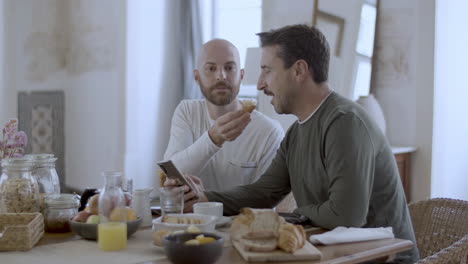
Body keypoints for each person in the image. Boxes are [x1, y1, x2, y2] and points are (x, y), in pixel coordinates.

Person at [166, 25, 419, 263]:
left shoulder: (345, 123)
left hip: (381, 259)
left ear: (299, 71)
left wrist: (298, 211)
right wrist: (204, 198)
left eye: (267, 70)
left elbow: (346, 216)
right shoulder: (297, 132)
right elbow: (263, 192)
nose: (261, 83)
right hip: (335, 254)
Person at [163, 39, 284, 192]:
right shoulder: (187, 111)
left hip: (241, 217)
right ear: (196, 77)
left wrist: (208, 202)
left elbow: (265, 199)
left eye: (229, 68)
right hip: (190, 216)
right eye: (211, 68)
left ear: (241, 76)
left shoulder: (269, 131)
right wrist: (213, 139)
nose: (221, 76)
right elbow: (170, 173)